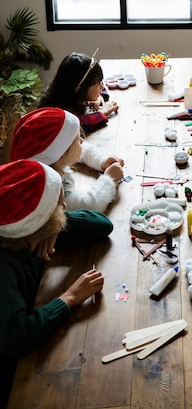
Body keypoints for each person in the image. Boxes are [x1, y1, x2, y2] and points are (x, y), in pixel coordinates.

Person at [0, 160, 105, 405]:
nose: (66, 207)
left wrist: (55, 227)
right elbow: (15, 338)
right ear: (39, 220)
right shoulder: (5, 268)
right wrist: (69, 297)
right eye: (59, 205)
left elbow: (102, 226)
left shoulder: (24, 232)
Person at [10, 107, 125, 213]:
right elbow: (90, 205)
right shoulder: (52, 188)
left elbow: (80, 149)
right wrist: (109, 178)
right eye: (76, 139)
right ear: (60, 154)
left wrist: (101, 161)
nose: (81, 141)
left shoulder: (52, 159)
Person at [38, 49, 119, 134]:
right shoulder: (60, 110)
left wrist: (100, 97)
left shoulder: (70, 92)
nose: (102, 86)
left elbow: (101, 87)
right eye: (97, 84)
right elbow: (80, 124)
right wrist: (104, 111)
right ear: (79, 89)